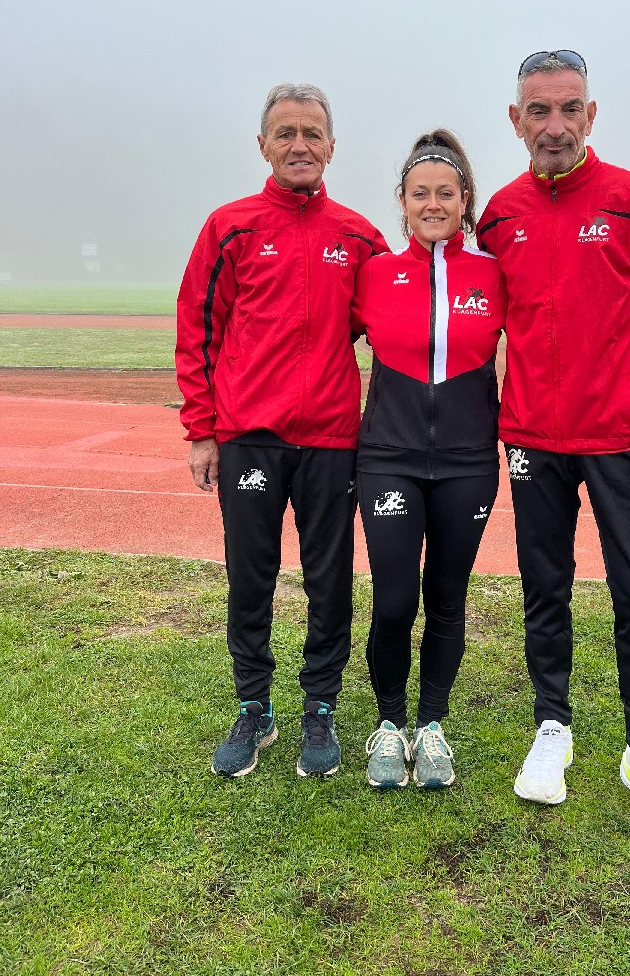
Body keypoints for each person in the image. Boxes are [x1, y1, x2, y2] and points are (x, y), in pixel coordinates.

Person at [477, 51, 630, 830]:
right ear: (516, 120)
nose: (554, 125)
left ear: (590, 114)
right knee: (545, 589)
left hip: (620, 439)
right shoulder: (497, 215)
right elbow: (473, 321)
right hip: (531, 436)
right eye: (538, 110)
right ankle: (552, 728)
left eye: (569, 108)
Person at [176, 83, 388, 779]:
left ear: (331, 146)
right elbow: (198, 328)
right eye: (286, 133)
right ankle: (254, 707)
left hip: (331, 439)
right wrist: (202, 430)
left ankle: (319, 706)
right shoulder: (230, 227)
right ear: (263, 145)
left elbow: (392, 325)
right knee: (251, 576)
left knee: (330, 580)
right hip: (250, 437)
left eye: (312, 133)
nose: (300, 145)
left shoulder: (358, 237)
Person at [351, 131, 506, 790]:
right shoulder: (374, 274)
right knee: (394, 600)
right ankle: (389, 724)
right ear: (403, 201)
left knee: (447, 596)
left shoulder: (493, 273)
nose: (433, 204)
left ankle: (432, 725)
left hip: (468, 461)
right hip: (388, 456)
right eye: (420, 194)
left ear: (464, 199)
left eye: (445, 192)